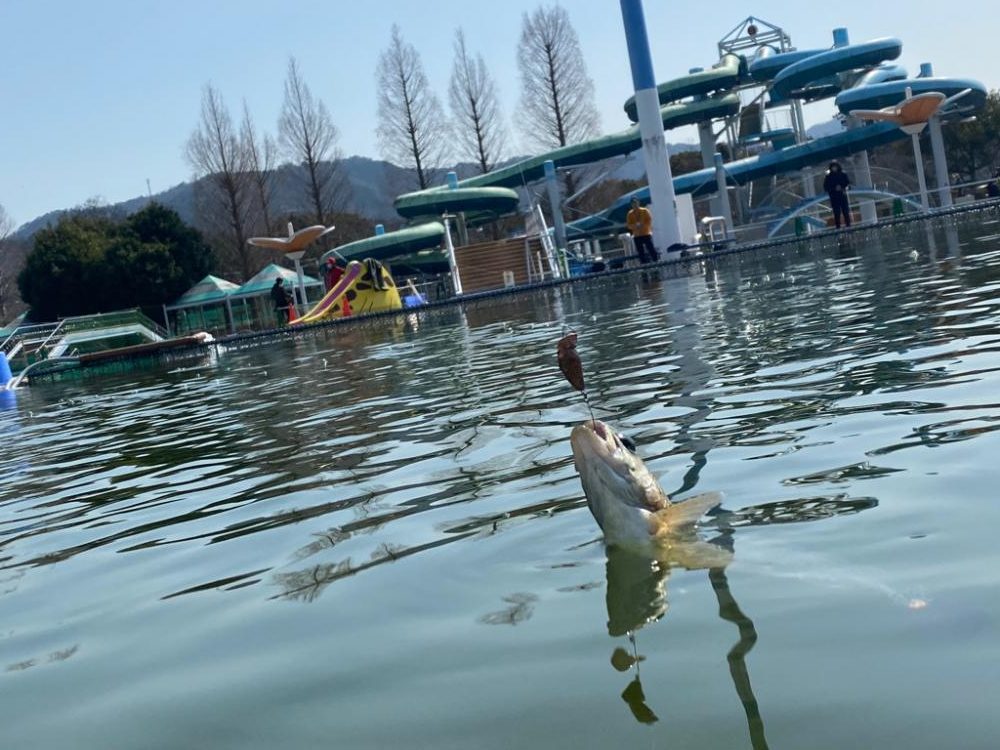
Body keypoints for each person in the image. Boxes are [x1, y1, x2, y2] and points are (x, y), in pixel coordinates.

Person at [626, 198, 659, 263]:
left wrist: (642, 225)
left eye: (635, 202)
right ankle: (644, 266)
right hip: (637, 235)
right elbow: (629, 225)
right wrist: (635, 226)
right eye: (633, 203)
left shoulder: (645, 211)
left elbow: (649, 221)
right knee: (640, 252)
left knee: (651, 249)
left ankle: (656, 262)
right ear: (631, 205)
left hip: (646, 233)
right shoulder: (630, 214)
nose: (634, 204)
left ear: (638, 202)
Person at [823, 161, 852, 229]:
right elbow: (826, 187)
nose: (834, 168)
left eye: (835, 167)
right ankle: (838, 227)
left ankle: (848, 226)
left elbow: (848, 184)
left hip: (843, 195)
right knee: (837, 213)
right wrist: (834, 189)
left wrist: (843, 188)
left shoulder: (843, 175)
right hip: (834, 197)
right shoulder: (828, 177)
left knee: (845, 211)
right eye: (833, 167)